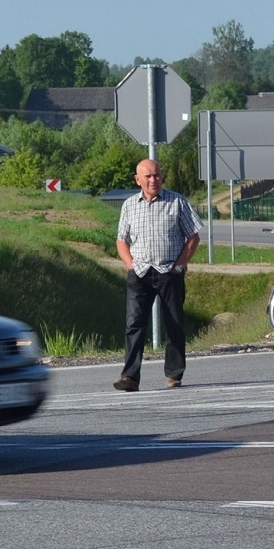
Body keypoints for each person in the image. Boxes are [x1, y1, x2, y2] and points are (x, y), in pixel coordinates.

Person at [114, 158, 202, 391]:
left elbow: (193, 236)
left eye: (157, 175)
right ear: (138, 180)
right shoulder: (130, 205)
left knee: (174, 324)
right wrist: (130, 264)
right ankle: (130, 377)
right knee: (134, 325)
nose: (153, 180)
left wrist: (180, 264)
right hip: (140, 272)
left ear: (162, 176)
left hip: (169, 271)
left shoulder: (177, 202)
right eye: (148, 176)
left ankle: (174, 374)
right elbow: (121, 240)